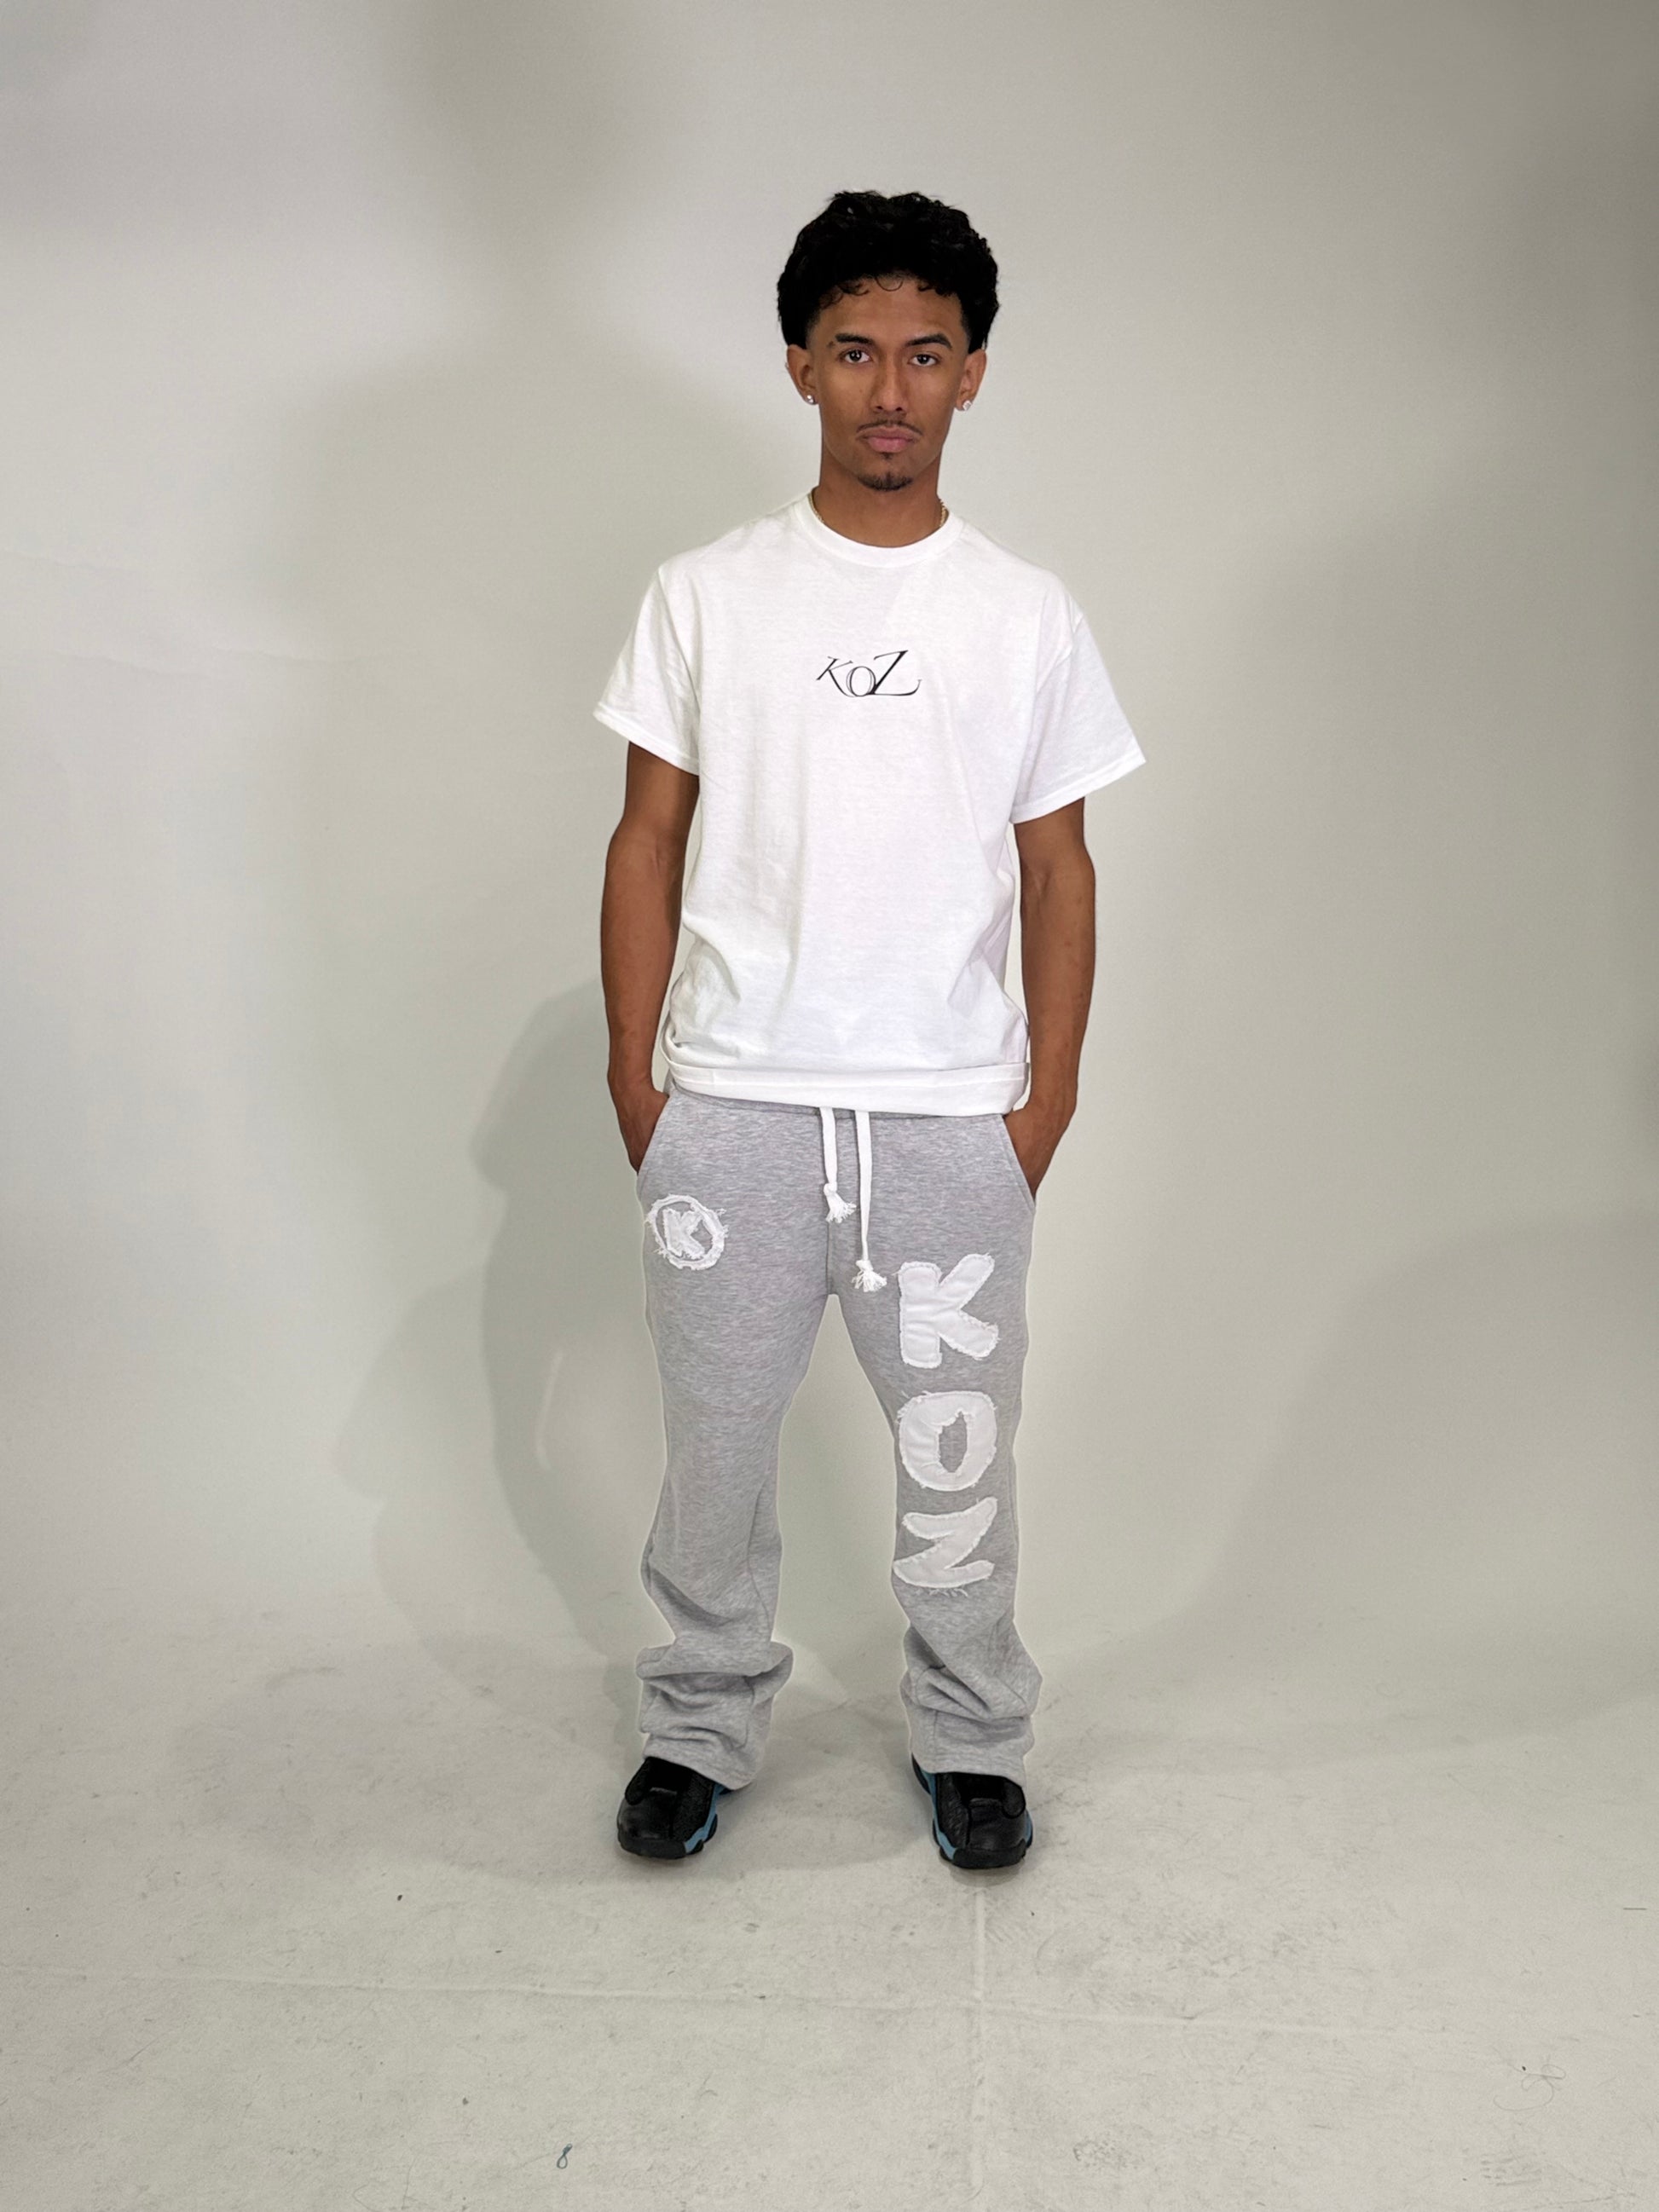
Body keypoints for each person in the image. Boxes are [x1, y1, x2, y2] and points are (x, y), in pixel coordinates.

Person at [594, 188, 1145, 1870]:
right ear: (798, 366)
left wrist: (1039, 1103)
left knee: (956, 1464)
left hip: (945, 1120)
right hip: (735, 1109)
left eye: (924, 352)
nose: (888, 389)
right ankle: (697, 1721)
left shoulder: (1024, 611)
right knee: (713, 1457)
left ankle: (970, 1737)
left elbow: (1057, 868)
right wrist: (641, 1082)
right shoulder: (705, 594)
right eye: (853, 352)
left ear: (972, 372)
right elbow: (647, 838)